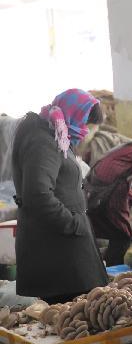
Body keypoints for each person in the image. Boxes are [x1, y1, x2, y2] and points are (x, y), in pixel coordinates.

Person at [11, 89, 108, 302]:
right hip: (58, 251)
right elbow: (38, 194)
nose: (85, 130)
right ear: (75, 114)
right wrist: (74, 224)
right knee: (71, 323)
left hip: (63, 246)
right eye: (86, 122)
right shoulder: (44, 140)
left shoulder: (57, 135)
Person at [85, 135, 132, 265]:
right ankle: (115, 270)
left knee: (111, 231)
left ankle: (105, 267)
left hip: (97, 186)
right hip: (110, 188)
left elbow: (124, 174)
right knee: (122, 233)